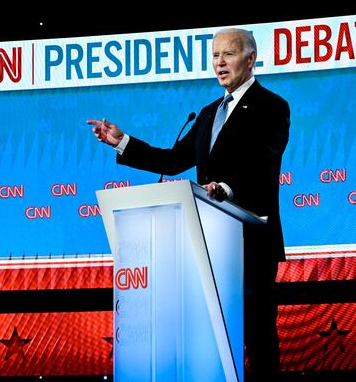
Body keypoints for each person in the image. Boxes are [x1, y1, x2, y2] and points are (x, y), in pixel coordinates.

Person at [88, 28, 289, 377]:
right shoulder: (209, 113)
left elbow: (265, 163)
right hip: (209, 242)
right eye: (215, 56)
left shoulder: (272, 106)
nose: (219, 63)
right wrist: (122, 142)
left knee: (257, 337)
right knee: (210, 339)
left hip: (252, 242)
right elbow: (173, 161)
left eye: (228, 54)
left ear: (251, 59)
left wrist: (225, 189)